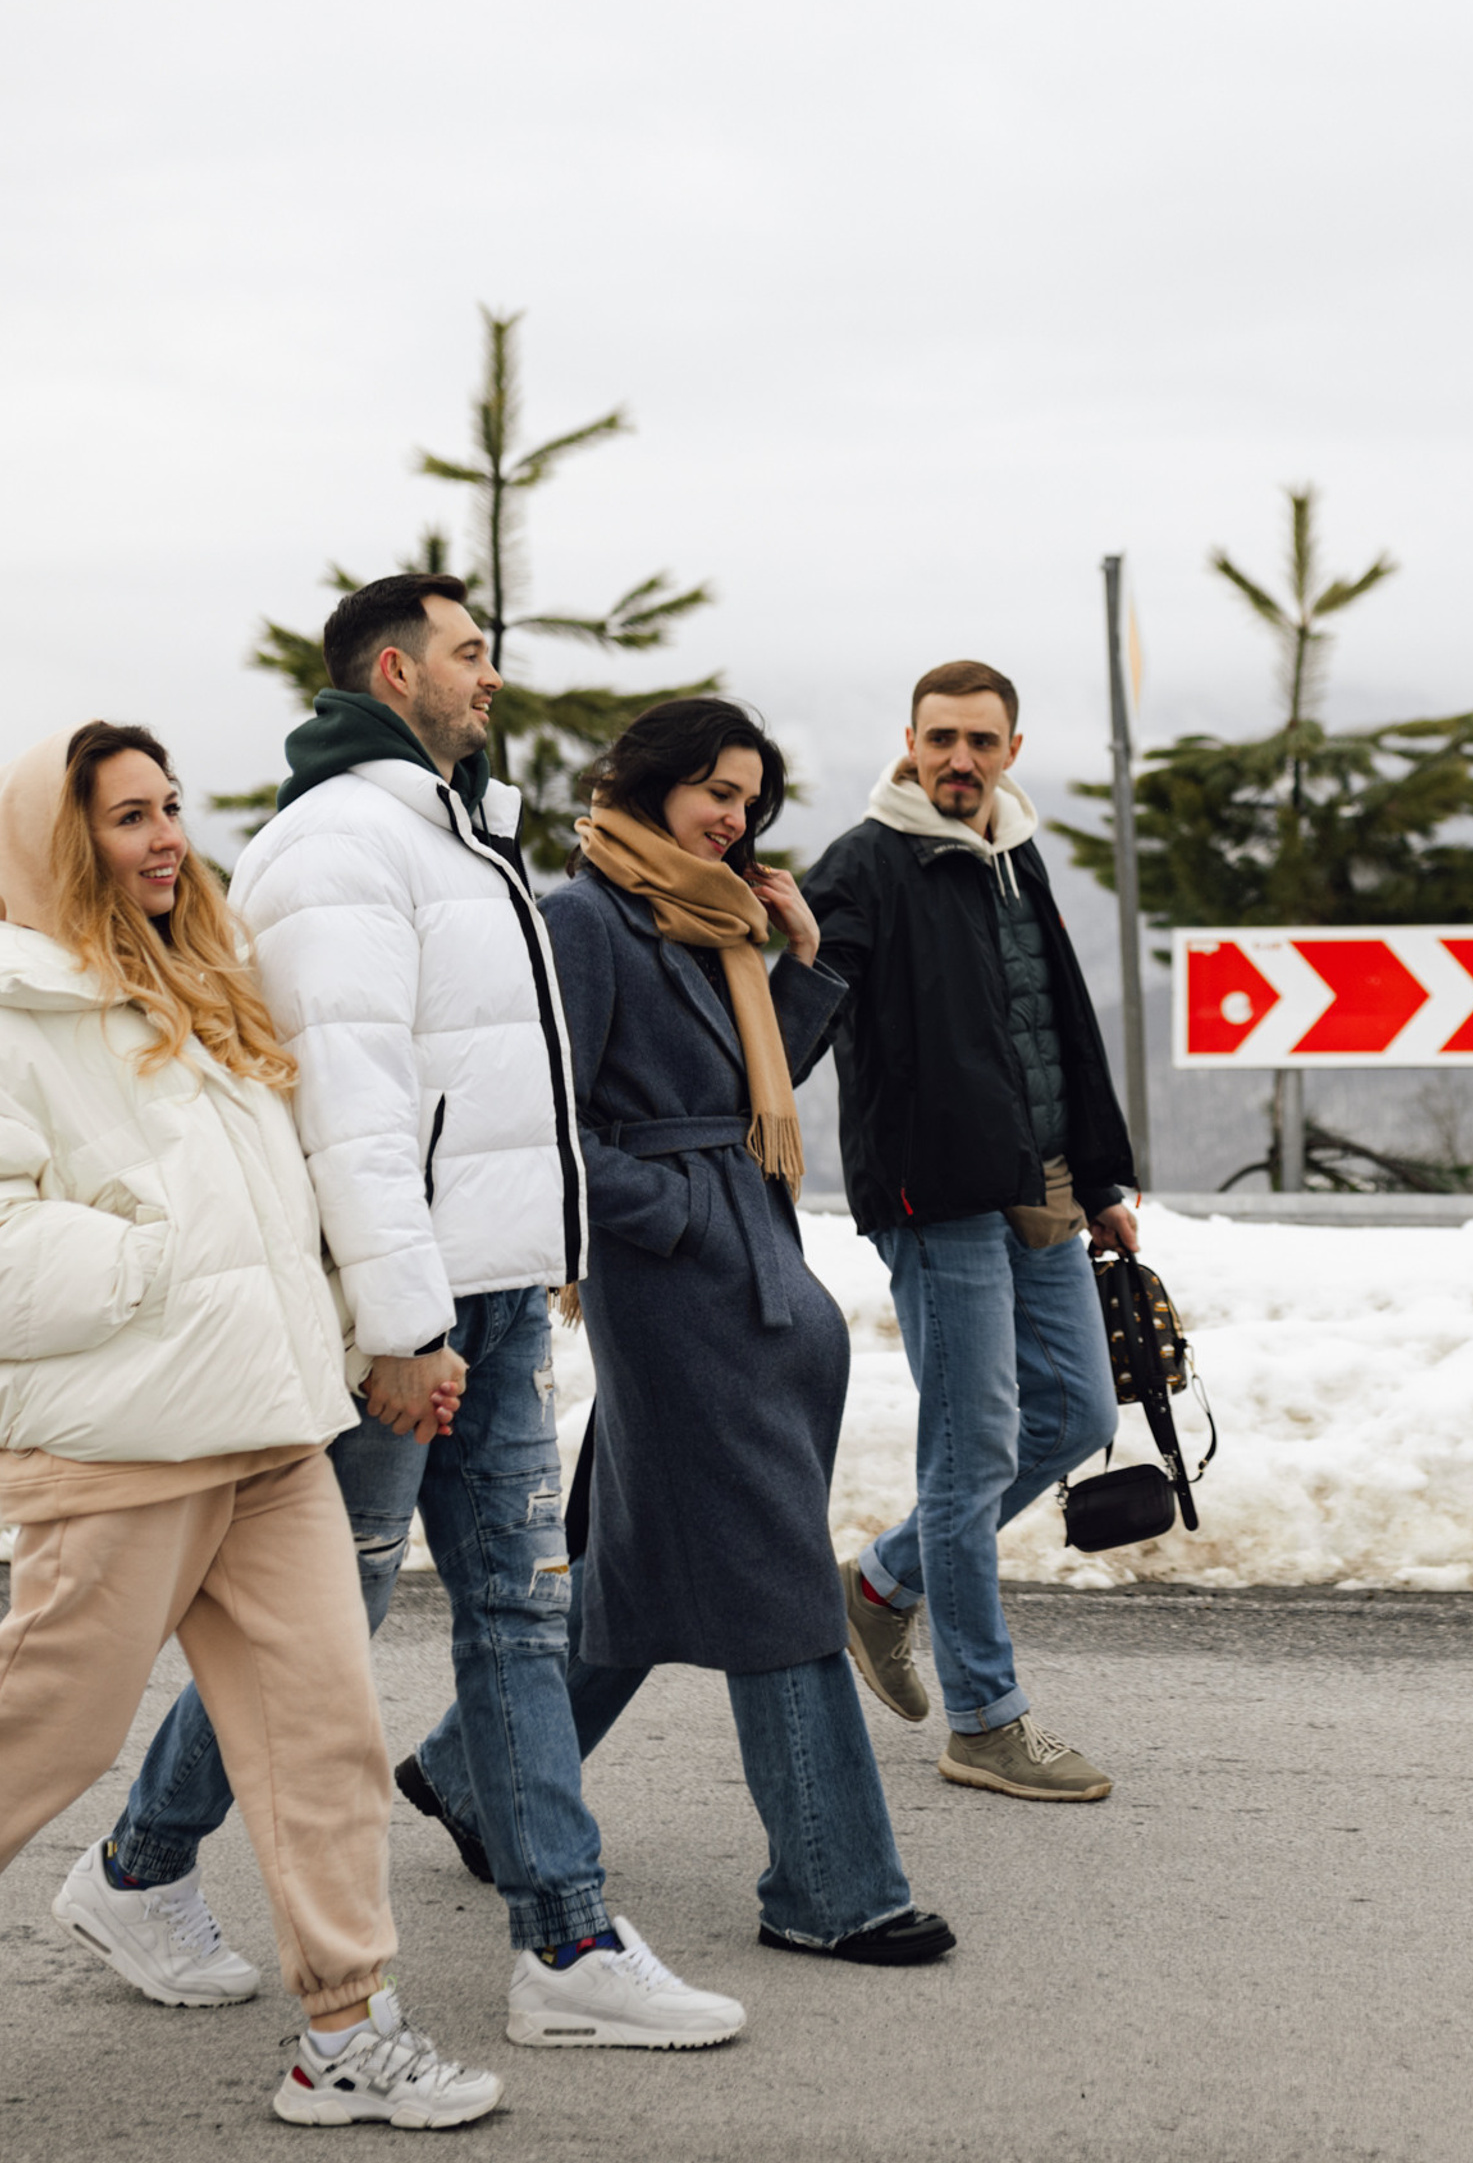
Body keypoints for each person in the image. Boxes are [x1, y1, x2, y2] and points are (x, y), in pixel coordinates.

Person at [93, 573, 742, 2051]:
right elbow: (353, 1102)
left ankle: (564, 1943)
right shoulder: (340, 846)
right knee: (339, 1612)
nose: (491, 674)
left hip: (491, 1292)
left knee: (519, 1607)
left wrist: (538, 1251)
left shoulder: (450, 831)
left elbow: (491, 1088)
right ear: (395, 672)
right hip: (416, 1305)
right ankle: (137, 1867)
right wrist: (402, 1323)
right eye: (468, 653)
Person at [0, 721, 502, 2128]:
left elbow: (281, 1211)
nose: (164, 839)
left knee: (324, 1738)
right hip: (126, 1448)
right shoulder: (14, 1011)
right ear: (59, 841)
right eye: (124, 818)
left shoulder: (197, 984)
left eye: (170, 808)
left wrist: (360, 1335)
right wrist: (167, 1265)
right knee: (44, 1732)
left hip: (273, 1436)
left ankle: (347, 2032)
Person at [404, 698, 953, 1964]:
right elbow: (550, 1124)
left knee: (652, 1570)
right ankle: (832, 1886)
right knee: (772, 1578)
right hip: (683, 1290)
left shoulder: (711, 916)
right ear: (649, 785)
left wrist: (800, 965)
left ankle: (469, 1777)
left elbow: (731, 1094)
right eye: (713, 789)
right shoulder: (586, 919)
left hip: (750, 1272)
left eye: (750, 797)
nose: (734, 815)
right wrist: (684, 1213)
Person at [803, 661, 1135, 1802]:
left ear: (1011, 748)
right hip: (935, 1193)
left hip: (1035, 1180)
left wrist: (1101, 1176)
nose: (959, 759)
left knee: (1080, 1411)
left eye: (979, 741)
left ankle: (885, 1583)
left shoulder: (1010, 850)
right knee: (974, 1447)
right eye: (940, 738)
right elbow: (807, 994)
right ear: (907, 740)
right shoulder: (865, 862)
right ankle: (986, 1719)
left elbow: (1057, 1023)